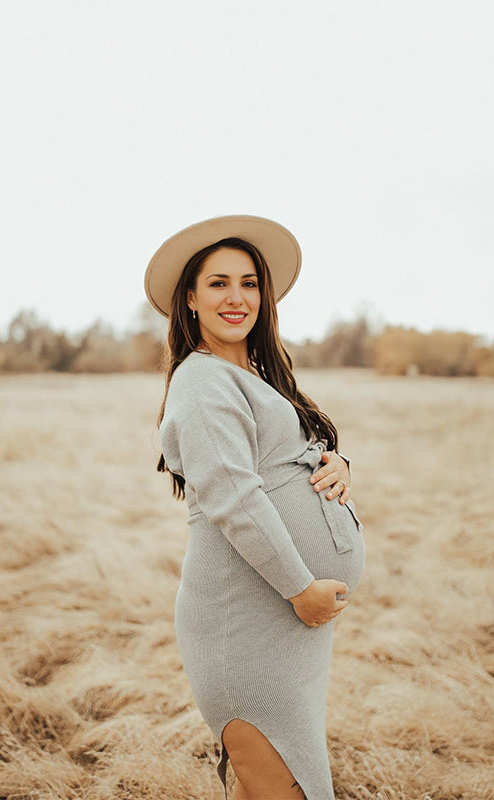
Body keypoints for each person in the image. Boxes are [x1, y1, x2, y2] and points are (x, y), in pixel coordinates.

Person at [144, 215, 365, 800]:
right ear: (189, 299)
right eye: (217, 283)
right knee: (284, 787)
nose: (236, 297)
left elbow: (282, 459)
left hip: (286, 623)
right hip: (247, 618)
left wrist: (336, 463)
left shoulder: (255, 376)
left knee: (268, 786)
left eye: (248, 283)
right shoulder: (202, 380)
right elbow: (233, 496)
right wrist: (300, 587)